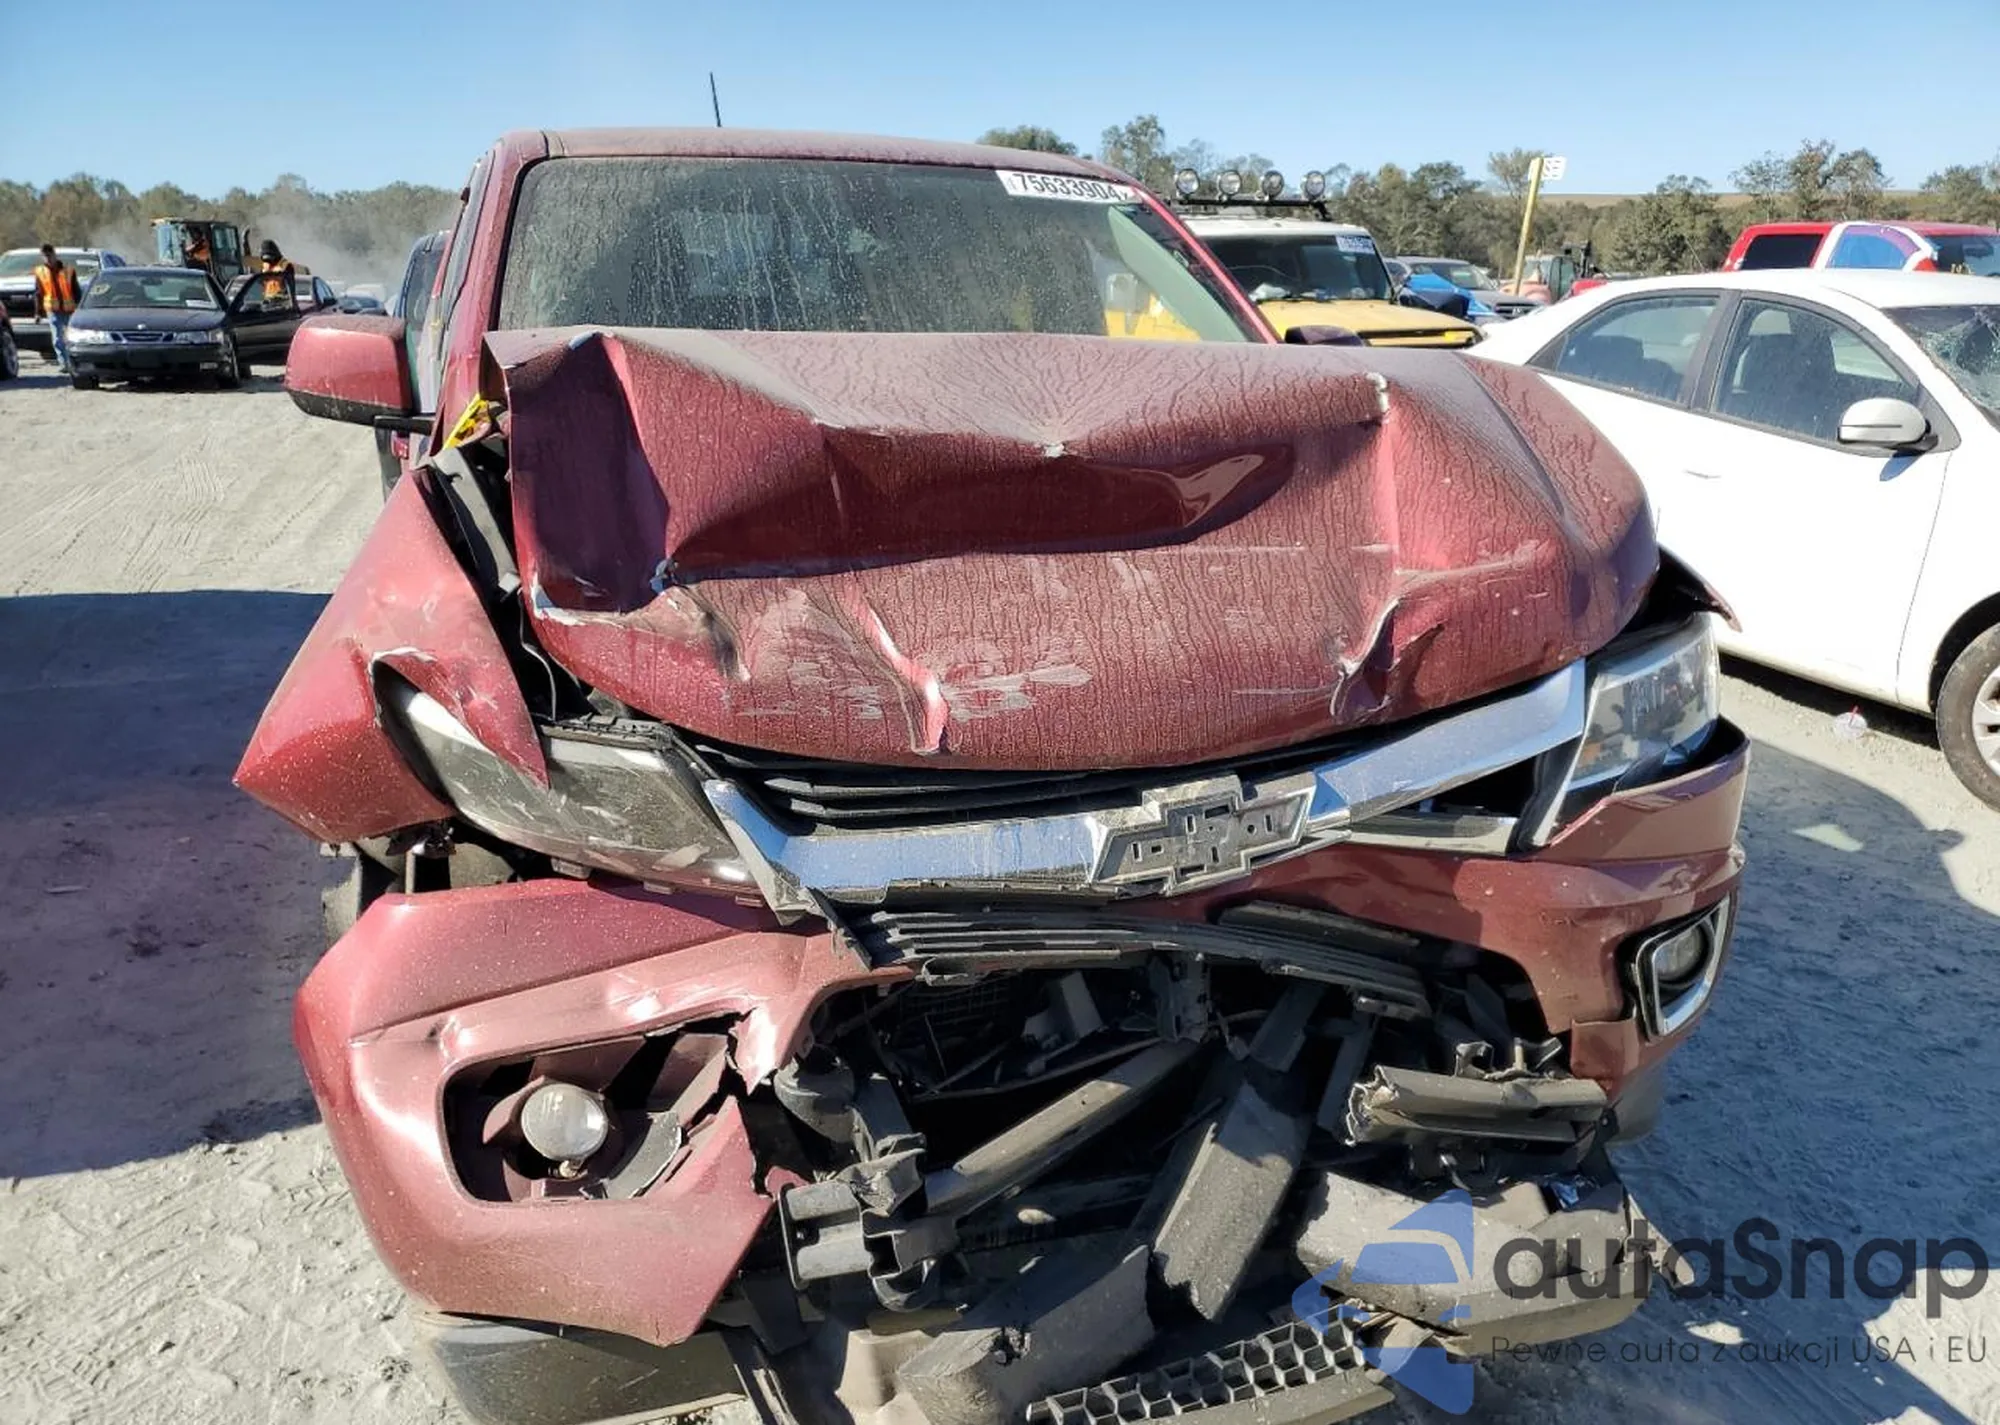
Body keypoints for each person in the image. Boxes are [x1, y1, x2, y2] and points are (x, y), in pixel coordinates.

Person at [33, 244, 80, 374]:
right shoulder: (40, 272)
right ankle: (64, 364)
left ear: (55, 255)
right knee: (58, 339)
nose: (48, 258)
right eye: (45, 256)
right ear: (42, 257)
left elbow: (76, 291)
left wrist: (80, 307)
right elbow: (38, 293)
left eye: (50, 255)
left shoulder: (68, 270)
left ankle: (75, 362)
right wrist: (38, 313)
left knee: (72, 337)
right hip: (53, 310)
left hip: (70, 310)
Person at [258, 239, 295, 303]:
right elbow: (260, 282)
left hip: (284, 302)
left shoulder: (285, 265)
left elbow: (290, 284)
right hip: (268, 301)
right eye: (265, 259)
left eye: (270, 257)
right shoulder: (265, 266)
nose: (268, 260)